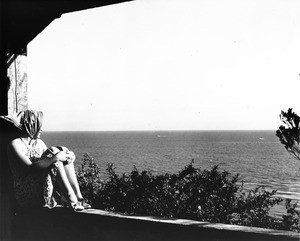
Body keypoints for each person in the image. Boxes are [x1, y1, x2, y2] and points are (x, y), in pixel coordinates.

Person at [2, 110, 91, 211]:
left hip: (41, 188)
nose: (41, 130)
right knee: (55, 154)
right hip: (27, 195)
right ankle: (71, 199)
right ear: (31, 126)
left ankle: (78, 197)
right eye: (39, 126)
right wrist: (56, 157)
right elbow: (30, 168)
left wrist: (68, 156)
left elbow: (50, 160)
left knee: (61, 150)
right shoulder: (15, 144)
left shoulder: (39, 143)